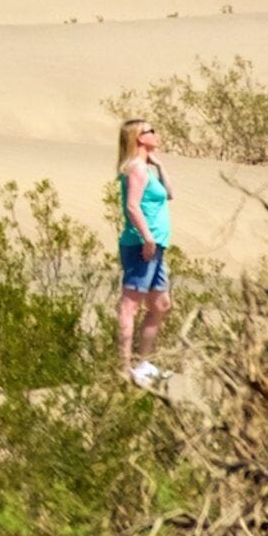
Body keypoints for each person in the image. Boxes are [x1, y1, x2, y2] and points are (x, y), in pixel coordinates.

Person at [115, 117, 173, 387]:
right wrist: (147, 239)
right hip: (142, 245)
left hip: (157, 244)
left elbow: (169, 194)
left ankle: (143, 363)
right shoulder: (136, 169)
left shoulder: (147, 168)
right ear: (139, 137)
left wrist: (159, 165)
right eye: (152, 131)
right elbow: (132, 206)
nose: (156, 134)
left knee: (161, 304)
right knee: (130, 305)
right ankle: (124, 368)